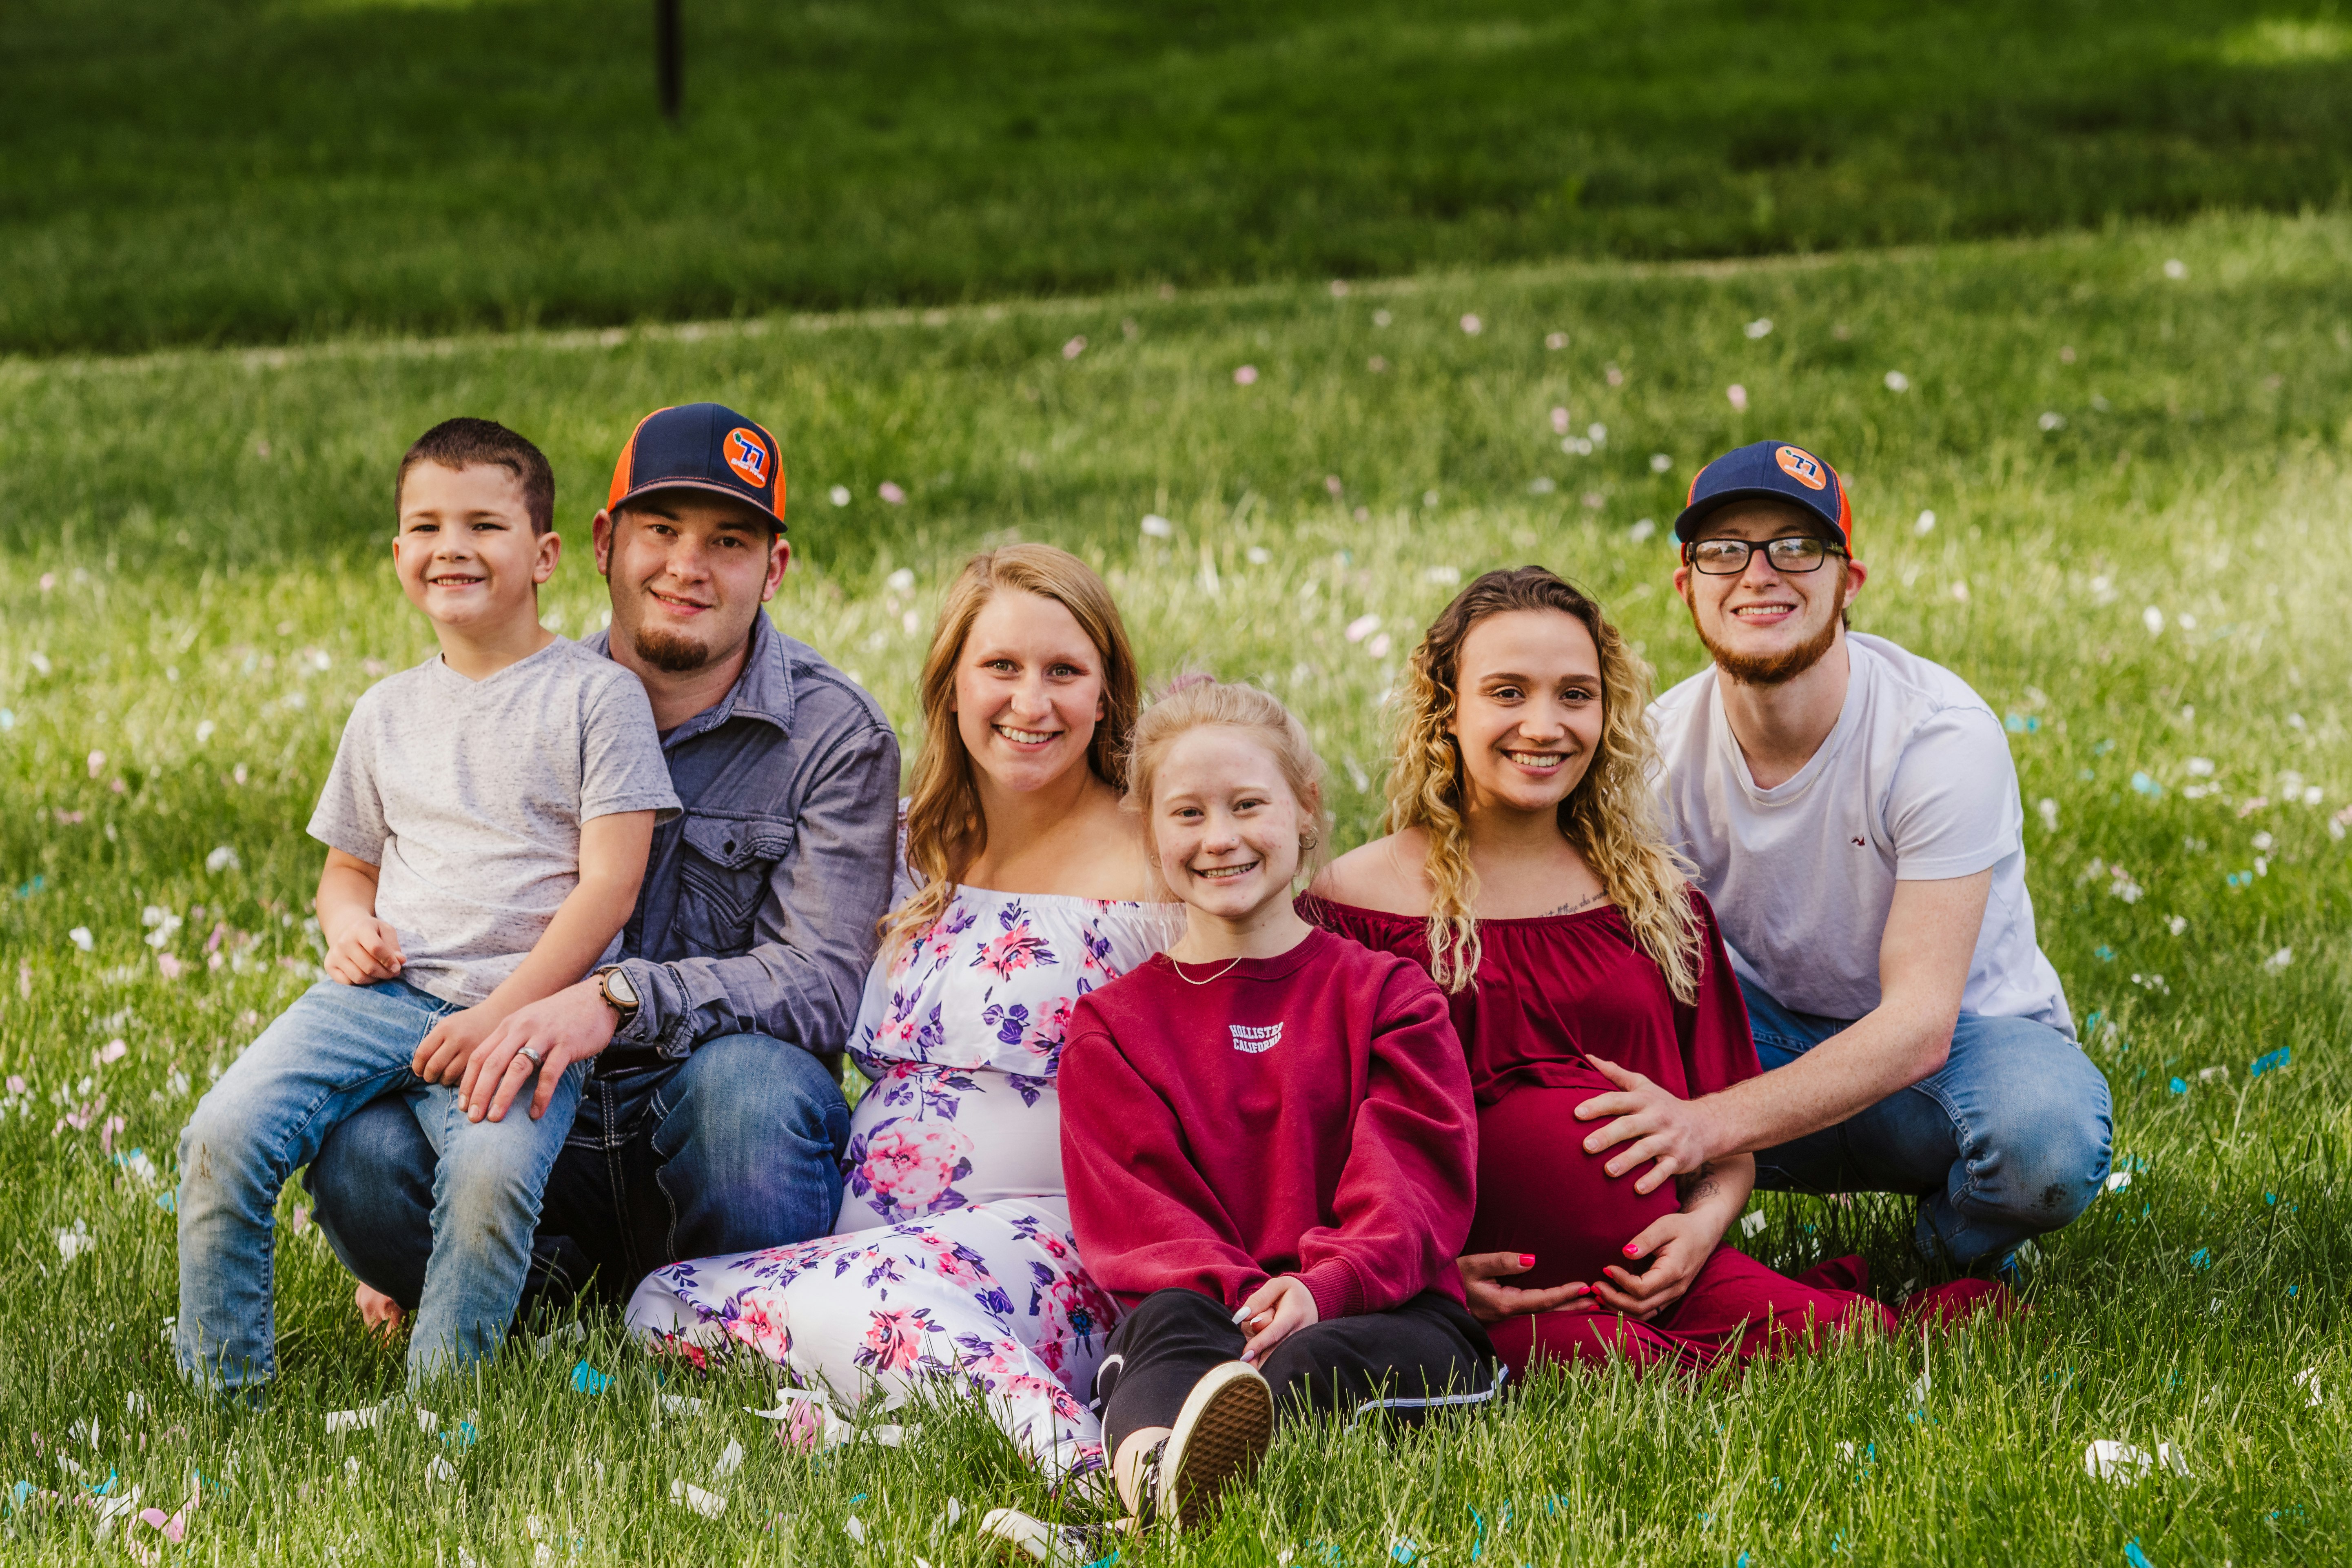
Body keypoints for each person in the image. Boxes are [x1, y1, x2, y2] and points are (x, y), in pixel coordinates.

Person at [1309, 567, 1994, 1378]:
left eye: (1575, 694)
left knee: (1855, 1342)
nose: (1544, 723)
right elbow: (1318, 1141)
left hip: (1665, 1276)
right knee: (1614, 1364)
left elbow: (1724, 1132)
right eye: (1506, 691)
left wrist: (1702, 1226)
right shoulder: (1354, 903)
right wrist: (1428, 1276)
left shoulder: (1655, 899)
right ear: (1445, 708)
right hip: (1477, 1298)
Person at [304, 402, 900, 1333]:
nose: (686, 566)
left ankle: (717, 1303)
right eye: (659, 530)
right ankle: (534, 1282)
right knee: (355, 1149)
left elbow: (825, 983)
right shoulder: (519, 704)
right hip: (520, 1109)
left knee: (757, 1091)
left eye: (729, 540)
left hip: (700, 1116)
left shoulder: (834, 737)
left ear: (774, 568)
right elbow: (402, 913)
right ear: (600, 543)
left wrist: (621, 994)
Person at [627, 544, 1175, 1485]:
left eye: (1064, 672)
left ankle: (1088, 1464)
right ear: (952, 685)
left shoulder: (1161, 854)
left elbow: (1276, 1027)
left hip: (1058, 1239)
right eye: (1000, 667)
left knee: (885, 1296)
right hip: (871, 1243)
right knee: (661, 1304)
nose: (1030, 702)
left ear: (1105, 690)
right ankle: (906, 1417)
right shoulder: (906, 841)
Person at [176, 418, 679, 1391]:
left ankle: (443, 1408)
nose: (452, 546)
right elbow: (347, 867)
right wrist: (346, 925)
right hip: (382, 997)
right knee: (222, 1133)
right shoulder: (384, 711)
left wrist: (503, 1016)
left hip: (525, 1009)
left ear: (543, 555)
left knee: (488, 1181)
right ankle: (220, 1387)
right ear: (398, 554)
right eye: (426, 526)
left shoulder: (596, 699)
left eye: (484, 524)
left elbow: (610, 885)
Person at [1578, 440, 2112, 1274]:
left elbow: (1919, 1026)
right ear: (1689, 588)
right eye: (1724, 550)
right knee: (1579, 1081)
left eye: (1796, 547)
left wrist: (1706, 1127)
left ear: (1847, 582)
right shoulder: (1649, 756)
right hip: (1758, 1041)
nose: (1759, 574)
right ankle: (1662, 1254)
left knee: (2044, 1135)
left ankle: (1945, 1256)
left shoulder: (1937, 736)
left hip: (1948, 1071)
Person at [1059, 678, 1493, 1531]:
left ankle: (1135, 1529)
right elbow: (1144, 1220)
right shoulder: (1112, 1026)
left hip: (1379, 1307)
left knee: (1308, 1360)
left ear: (1304, 809)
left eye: (1248, 804)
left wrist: (1320, 1288)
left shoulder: (1388, 995)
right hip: (1210, 1310)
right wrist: (1248, 1300)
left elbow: (1412, 1180)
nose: (1220, 838)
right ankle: (1154, 1489)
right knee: (1167, 1331)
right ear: (1149, 833)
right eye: (1187, 813)